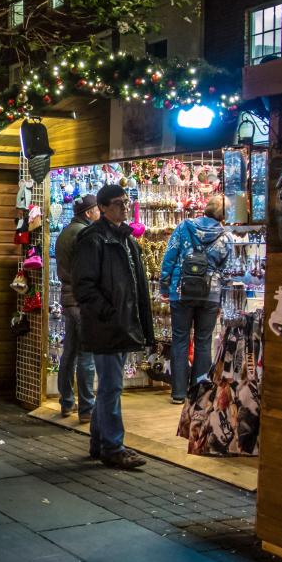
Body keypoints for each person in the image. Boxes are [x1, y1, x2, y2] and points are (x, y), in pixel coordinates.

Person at [72, 184, 154, 470]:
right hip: (106, 325)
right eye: (118, 203)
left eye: (126, 202)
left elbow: (134, 285)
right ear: (103, 207)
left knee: (109, 386)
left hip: (120, 322)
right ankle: (113, 446)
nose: (125, 207)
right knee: (111, 387)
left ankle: (100, 443)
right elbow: (84, 285)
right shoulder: (94, 239)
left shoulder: (125, 239)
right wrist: (108, 312)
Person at [160, 195, 232, 404]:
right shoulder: (225, 236)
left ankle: (178, 393)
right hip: (211, 293)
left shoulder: (184, 228)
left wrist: (165, 286)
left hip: (182, 291)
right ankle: (199, 392)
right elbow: (228, 269)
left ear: (206, 208)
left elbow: (169, 257)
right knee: (203, 341)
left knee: (180, 340)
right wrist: (222, 298)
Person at [54, 194, 100, 423]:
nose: (99, 213)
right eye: (97, 210)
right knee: (86, 355)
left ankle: (66, 403)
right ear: (89, 212)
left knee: (69, 353)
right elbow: (87, 269)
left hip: (68, 297)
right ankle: (86, 408)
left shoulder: (65, 232)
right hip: (81, 300)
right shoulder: (84, 234)